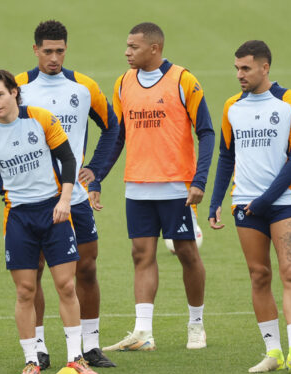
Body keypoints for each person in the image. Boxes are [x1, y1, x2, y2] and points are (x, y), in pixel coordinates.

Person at [0, 20, 119, 369]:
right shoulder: (16, 87)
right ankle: (37, 350)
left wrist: (95, 170)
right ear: (35, 50)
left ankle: (90, 345)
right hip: (29, 202)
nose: (54, 57)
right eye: (47, 51)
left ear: (66, 49)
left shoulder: (84, 87)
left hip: (72, 197)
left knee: (86, 268)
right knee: (32, 276)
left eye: (60, 51)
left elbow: (113, 127)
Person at [92, 22, 215, 352]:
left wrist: (199, 181)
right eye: (127, 46)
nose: (127, 52)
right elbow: (117, 136)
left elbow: (206, 132)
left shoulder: (182, 80)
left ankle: (196, 324)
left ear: (154, 49)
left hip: (176, 187)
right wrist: (98, 175)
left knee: (187, 253)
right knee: (141, 254)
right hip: (137, 186)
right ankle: (143, 332)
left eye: (133, 47)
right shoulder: (123, 83)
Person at [208, 40, 291, 374]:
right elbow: (226, 156)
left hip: (283, 203)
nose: (239, 74)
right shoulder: (231, 107)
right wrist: (216, 201)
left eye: (246, 68)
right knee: (259, 275)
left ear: (265, 68)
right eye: (237, 68)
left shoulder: (290, 102)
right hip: (244, 205)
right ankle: (273, 352)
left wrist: (266, 198)